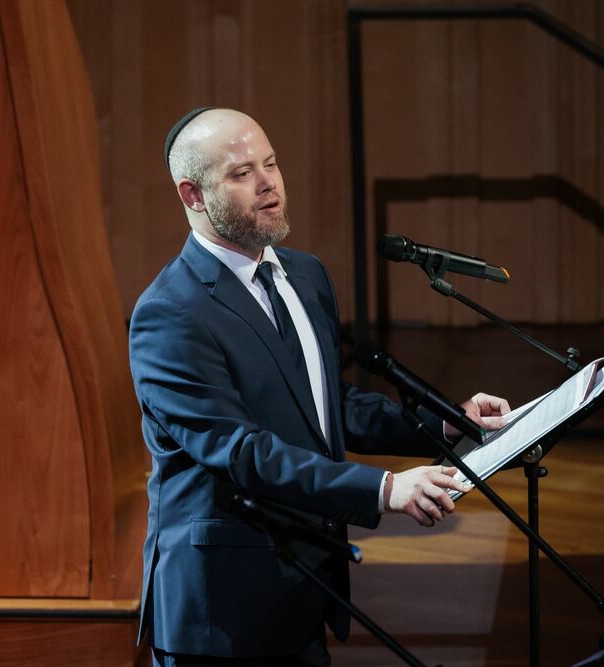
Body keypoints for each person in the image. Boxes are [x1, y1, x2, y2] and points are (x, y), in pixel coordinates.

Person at [128, 107, 510, 666]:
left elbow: (330, 406)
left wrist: (446, 420)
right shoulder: (169, 313)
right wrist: (383, 489)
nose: (268, 184)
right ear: (192, 195)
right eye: (241, 174)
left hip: (304, 583)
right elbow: (239, 450)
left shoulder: (304, 276)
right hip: (221, 610)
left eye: (272, 164)